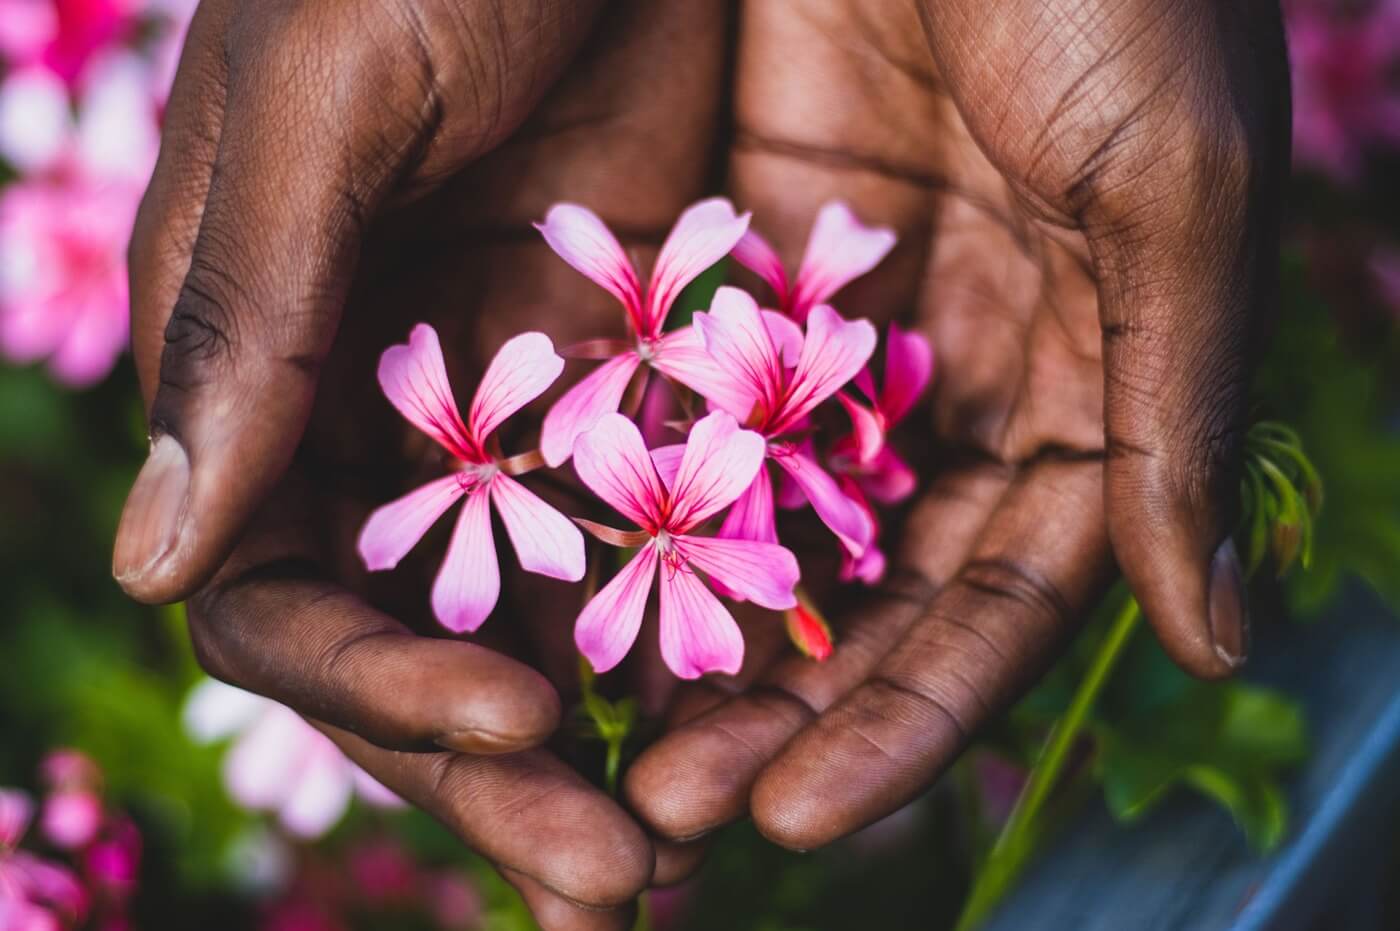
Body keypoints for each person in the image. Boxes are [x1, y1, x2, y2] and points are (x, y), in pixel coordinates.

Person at [111, 1, 1290, 928]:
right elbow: (640, 471)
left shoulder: (683, 404)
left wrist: (761, 455)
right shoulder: (626, 405)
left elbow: (692, 471)